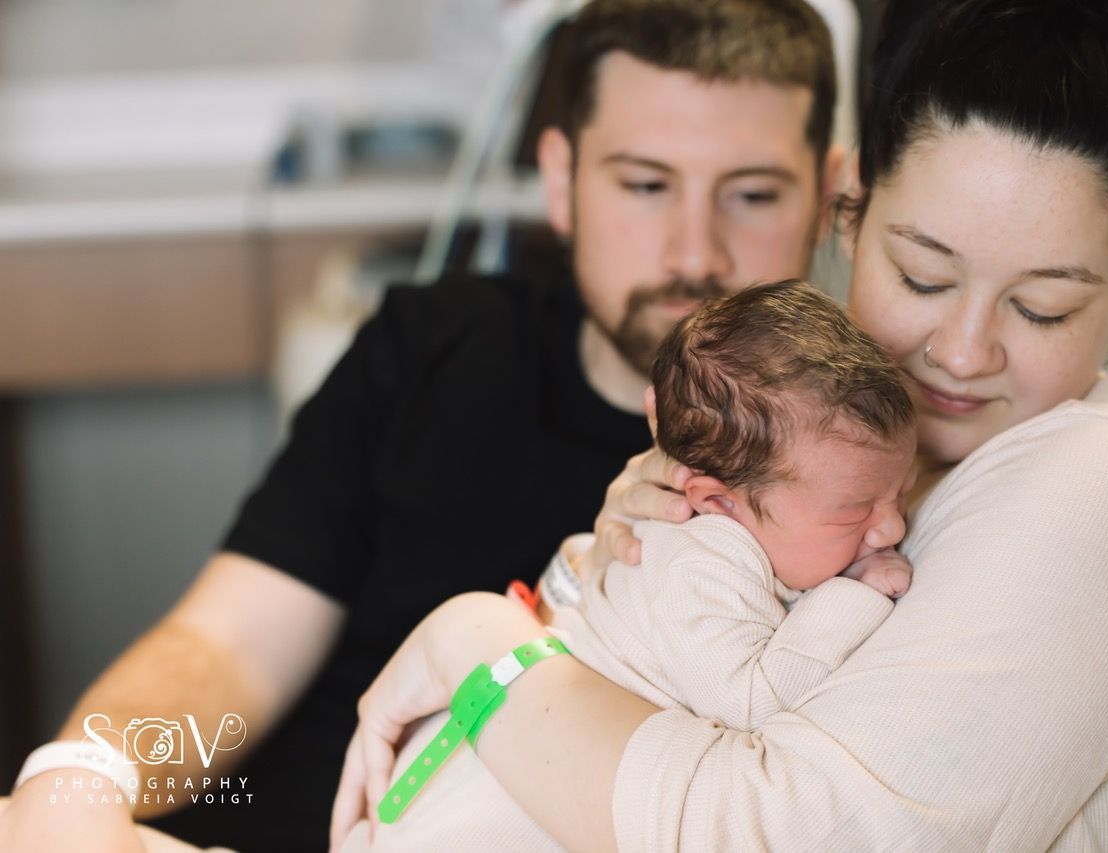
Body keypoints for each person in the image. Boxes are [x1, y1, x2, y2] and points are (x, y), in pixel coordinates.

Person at [333, 1, 1108, 850]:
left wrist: (481, 653)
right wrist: (607, 571)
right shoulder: (824, 433)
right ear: (849, 210)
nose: (962, 354)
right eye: (923, 277)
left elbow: (782, 831)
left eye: (1041, 308)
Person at [0, 2, 846, 851]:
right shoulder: (430, 347)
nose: (692, 251)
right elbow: (227, 652)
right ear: (561, 180)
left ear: (827, 193)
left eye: (751, 194)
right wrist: (84, 776)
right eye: (645, 185)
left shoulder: (850, 475)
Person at [338, 280, 917, 850]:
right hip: (477, 813)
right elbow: (752, 701)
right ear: (717, 502)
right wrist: (855, 595)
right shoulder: (704, 557)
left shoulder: (734, 526)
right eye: (855, 512)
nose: (892, 527)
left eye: (902, 491)